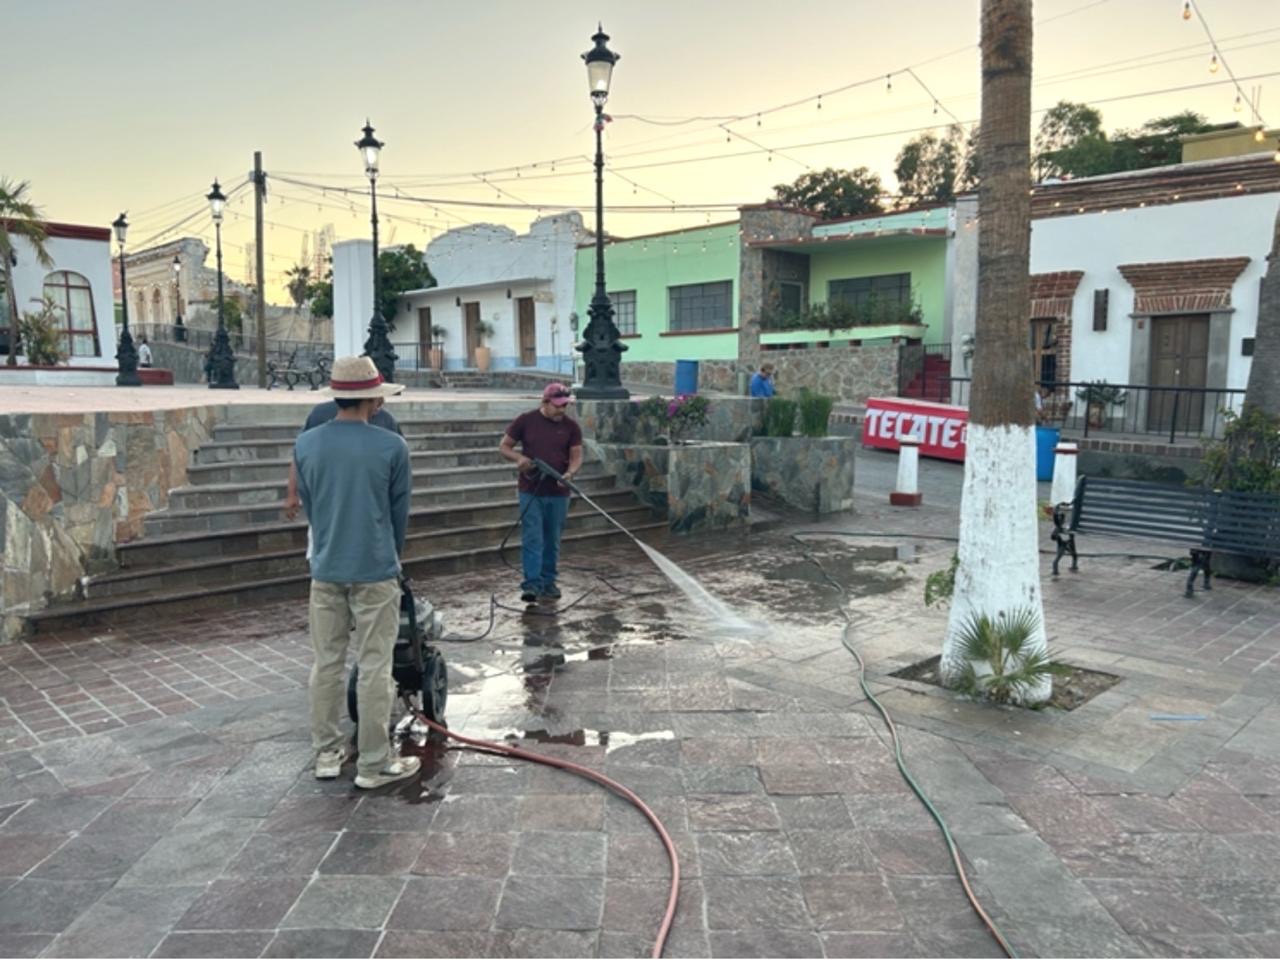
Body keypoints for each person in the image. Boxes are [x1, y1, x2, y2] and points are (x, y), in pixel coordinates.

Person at [293, 356, 418, 790]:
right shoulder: (391, 447)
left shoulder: (306, 444)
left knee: (325, 663)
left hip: (325, 567)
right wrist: (391, 557)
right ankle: (373, 763)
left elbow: (311, 508)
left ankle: (326, 754)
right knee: (374, 666)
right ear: (374, 399)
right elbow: (397, 514)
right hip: (374, 568)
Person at [498, 382, 584, 603]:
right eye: (557, 406)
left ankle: (548, 582)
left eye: (565, 405)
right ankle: (532, 585)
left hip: (558, 491)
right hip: (531, 489)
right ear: (545, 402)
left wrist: (570, 473)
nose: (562, 410)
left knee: (552, 538)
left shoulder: (571, 427)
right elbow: (504, 446)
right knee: (533, 536)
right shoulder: (526, 421)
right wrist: (520, 459)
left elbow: (576, 455)